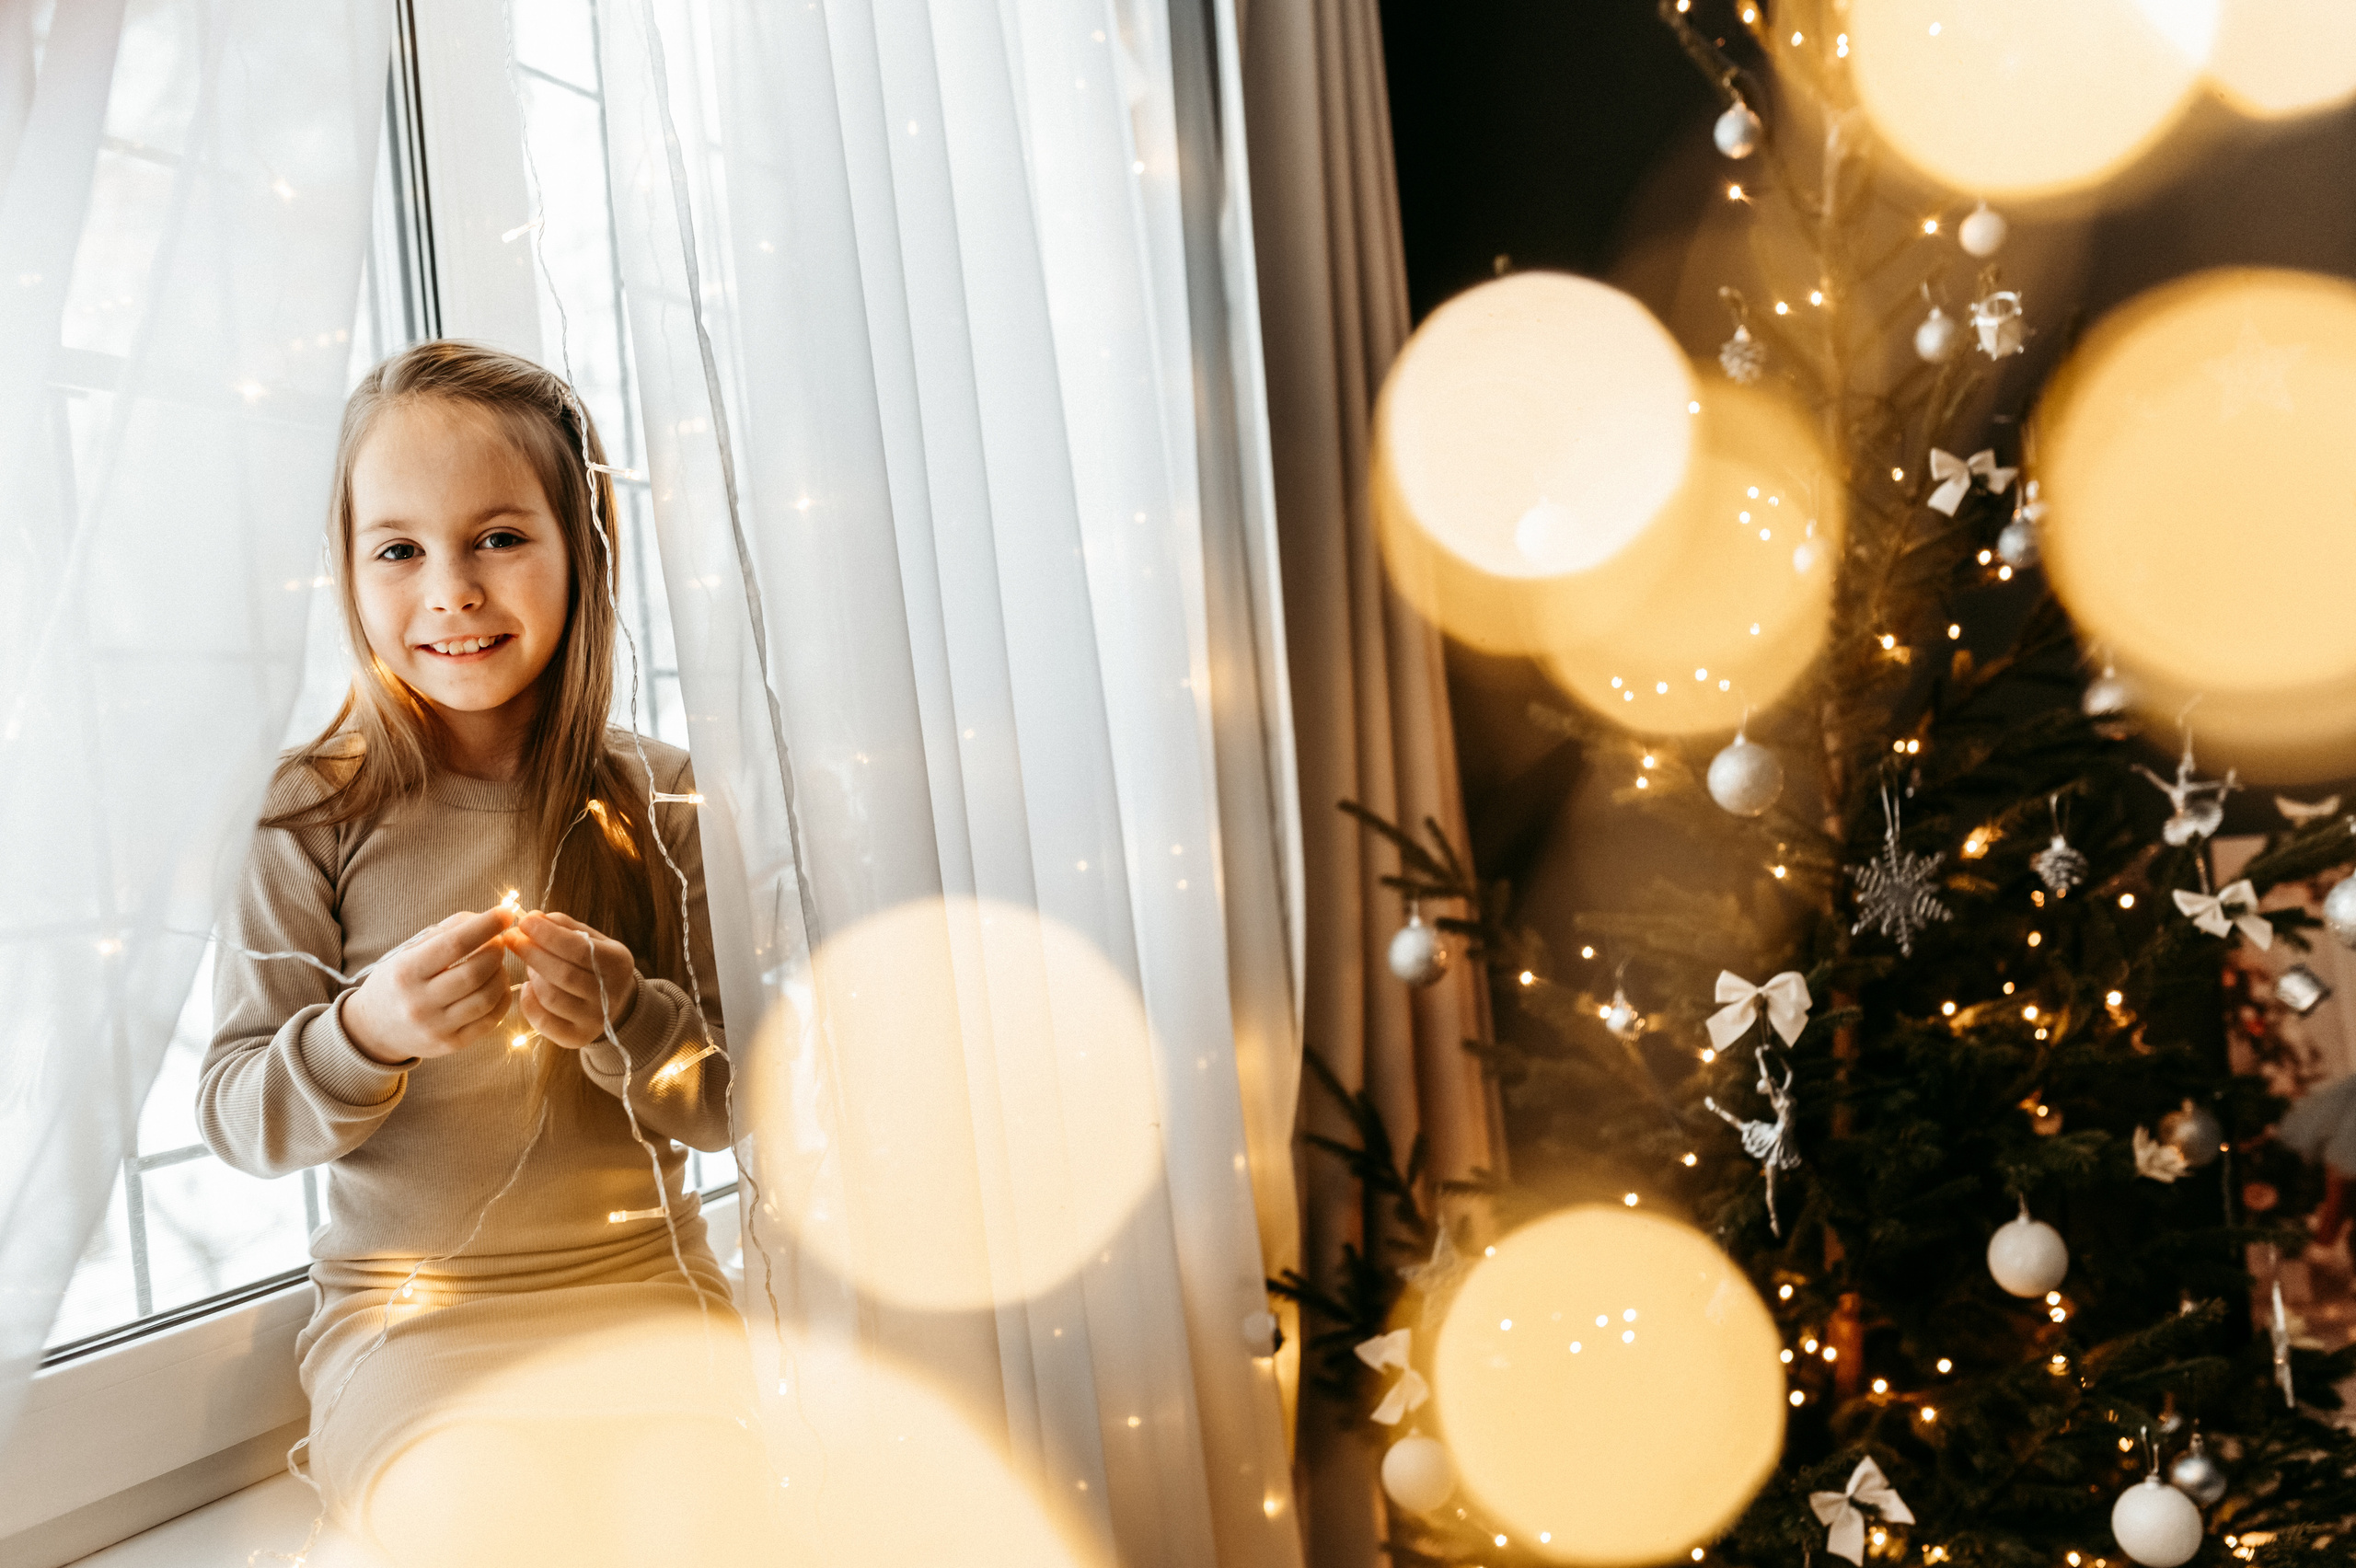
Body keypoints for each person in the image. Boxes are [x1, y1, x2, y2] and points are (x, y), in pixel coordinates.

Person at [197, 340, 767, 1562]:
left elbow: (727, 1105)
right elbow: (241, 1115)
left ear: (584, 552)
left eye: (499, 539)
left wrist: (631, 1011)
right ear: (350, 575)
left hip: (647, 1300)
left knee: (706, 1520)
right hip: (408, 1332)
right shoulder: (307, 815)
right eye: (399, 549)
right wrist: (368, 1034)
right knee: (480, 1521)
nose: (449, 589)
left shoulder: (663, 804)